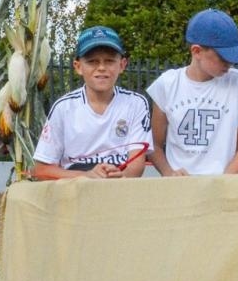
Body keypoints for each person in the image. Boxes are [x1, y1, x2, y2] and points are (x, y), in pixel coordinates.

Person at [31, 25, 152, 180]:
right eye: (92, 61)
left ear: (122, 65)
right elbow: (41, 170)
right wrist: (86, 176)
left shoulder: (136, 103)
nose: (101, 68)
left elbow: (136, 164)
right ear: (78, 66)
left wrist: (121, 175)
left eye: (109, 61)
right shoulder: (63, 108)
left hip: (119, 189)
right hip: (76, 192)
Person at [147, 8, 238, 176]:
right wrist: (170, 174)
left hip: (223, 187)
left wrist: (221, 184)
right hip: (180, 188)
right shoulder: (167, 84)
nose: (230, 63)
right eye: (223, 57)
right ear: (196, 51)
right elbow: (154, 144)